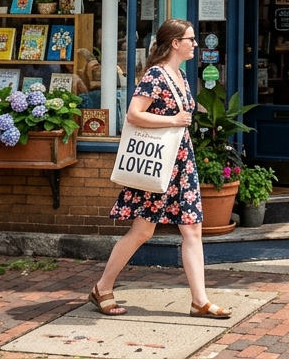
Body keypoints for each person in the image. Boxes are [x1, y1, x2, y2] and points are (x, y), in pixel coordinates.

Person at [90, 19, 232, 319]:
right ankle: (102, 287)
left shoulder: (181, 75)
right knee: (142, 231)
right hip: (158, 163)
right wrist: (173, 120)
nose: (195, 44)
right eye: (190, 39)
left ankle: (200, 301)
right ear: (175, 43)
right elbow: (133, 114)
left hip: (181, 161)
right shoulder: (155, 75)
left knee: (192, 229)